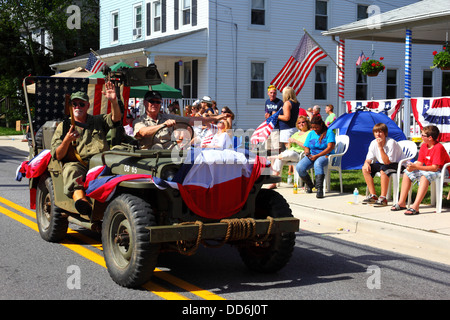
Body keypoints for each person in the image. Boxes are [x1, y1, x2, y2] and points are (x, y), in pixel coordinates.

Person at [50, 81, 121, 217]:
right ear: (70, 106)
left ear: (88, 106)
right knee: (71, 170)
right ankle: (82, 202)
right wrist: (67, 140)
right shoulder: (64, 127)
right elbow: (58, 155)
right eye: (74, 104)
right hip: (79, 164)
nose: (78, 107)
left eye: (81, 104)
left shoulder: (98, 121)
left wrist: (114, 102)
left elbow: (116, 119)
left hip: (101, 164)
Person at [133, 91, 229, 150]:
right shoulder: (139, 121)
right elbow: (143, 132)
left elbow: (192, 121)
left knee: (193, 155)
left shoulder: (167, 117)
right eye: (151, 101)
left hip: (170, 155)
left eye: (157, 102)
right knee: (157, 147)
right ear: (145, 103)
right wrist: (163, 125)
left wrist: (216, 118)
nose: (155, 104)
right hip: (150, 158)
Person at [391, 125, 450, 215]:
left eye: (423, 135)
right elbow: (419, 163)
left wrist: (416, 167)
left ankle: (416, 206)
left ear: (430, 138)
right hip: (430, 169)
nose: (421, 137)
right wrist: (411, 166)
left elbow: (435, 168)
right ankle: (402, 202)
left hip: (443, 170)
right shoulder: (424, 146)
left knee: (424, 177)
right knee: (407, 173)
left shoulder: (438, 147)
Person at [362, 123, 404, 206]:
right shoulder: (373, 143)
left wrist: (381, 148)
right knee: (364, 168)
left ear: (385, 133)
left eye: (380, 132)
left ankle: (383, 198)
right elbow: (368, 159)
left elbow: (387, 162)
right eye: (376, 132)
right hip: (384, 164)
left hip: (398, 165)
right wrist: (367, 163)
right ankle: (373, 195)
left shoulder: (391, 143)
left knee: (383, 169)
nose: (378, 134)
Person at [296, 116, 335, 198]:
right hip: (312, 155)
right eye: (312, 127)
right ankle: (310, 185)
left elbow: (330, 148)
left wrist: (317, 156)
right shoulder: (311, 133)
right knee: (299, 167)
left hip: (326, 155)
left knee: (318, 163)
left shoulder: (329, 132)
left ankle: (319, 189)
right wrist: (307, 153)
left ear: (321, 124)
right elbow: (307, 146)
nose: (314, 129)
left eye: (316, 127)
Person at [268, 115, 311, 189]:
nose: (301, 124)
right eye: (299, 123)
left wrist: (296, 141)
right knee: (279, 160)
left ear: (307, 123)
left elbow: (307, 147)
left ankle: (275, 156)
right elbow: (289, 147)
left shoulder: (310, 133)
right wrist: (289, 143)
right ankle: (273, 183)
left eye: (303, 122)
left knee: (288, 154)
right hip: (290, 153)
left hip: (301, 154)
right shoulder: (296, 134)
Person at [265, 85, 283, 152]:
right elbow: (266, 111)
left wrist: (276, 114)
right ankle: (269, 161)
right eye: (271, 93)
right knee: (268, 147)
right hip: (268, 126)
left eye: (274, 93)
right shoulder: (267, 102)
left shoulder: (280, 102)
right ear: (268, 93)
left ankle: (277, 161)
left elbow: (283, 114)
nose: (272, 94)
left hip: (276, 127)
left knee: (276, 147)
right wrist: (266, 115)